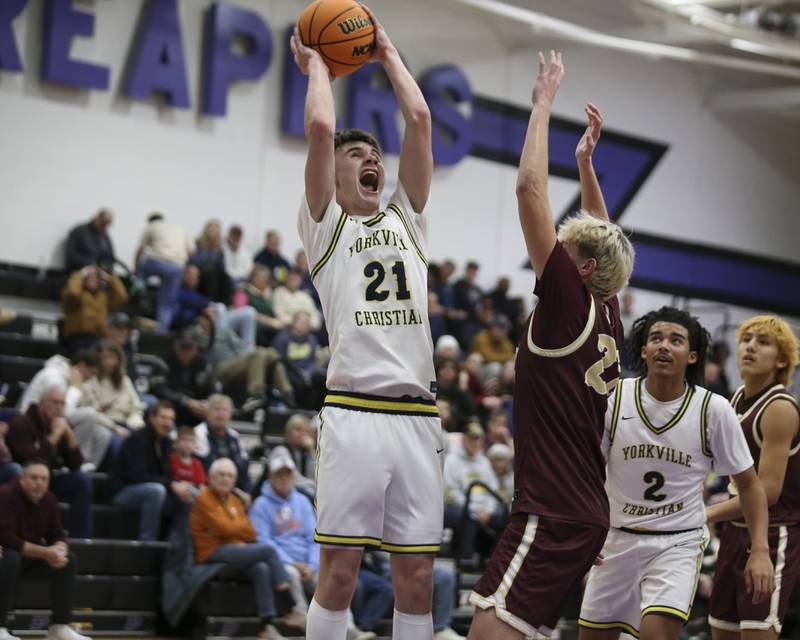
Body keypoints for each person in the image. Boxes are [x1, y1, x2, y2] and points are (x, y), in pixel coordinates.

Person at [467, 56, 635, 640]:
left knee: (486, 632)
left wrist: (542, 104)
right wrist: (586, 165)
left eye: (567, 251)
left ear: (580, 270)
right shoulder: (607, 310)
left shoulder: (568, 303)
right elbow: (603, 235)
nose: (555, 253)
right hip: (579, 511)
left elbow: (528, 189)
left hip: (553, 509)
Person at [290, 8, 443, 639]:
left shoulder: (408, 217)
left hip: (417, 416)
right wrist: (319, 64)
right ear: (336, 172)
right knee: (340, 575)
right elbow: (321, 127)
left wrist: (386, 54)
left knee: (418, 580)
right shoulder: (325, 225)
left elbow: (421, 120)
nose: (370, 159)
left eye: (374, 153)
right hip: (354, 410)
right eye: (357, 155)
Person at [578, 307, 773, 640]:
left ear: (692, 356)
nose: (664, 346)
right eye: (656, 338)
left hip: (677, 542)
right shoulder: (615, 397)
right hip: (617, 538)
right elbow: (587, 473)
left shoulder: (713, 409)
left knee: (656, 634)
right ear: (643, 350)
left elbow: (751, 486)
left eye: (676, 340)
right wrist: (586, 529)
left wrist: (760, 550)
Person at [707, 315, 800, 638]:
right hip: (734, 531)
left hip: (773, 535)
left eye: (763, 342)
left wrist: (704, 513)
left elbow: (767, 493)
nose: (750, 347)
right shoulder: (734, 400)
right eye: (746, 340)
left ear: (781, 360)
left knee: (757, 633)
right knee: (722, 631)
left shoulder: (780, 408)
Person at [190, 458, 305, 640]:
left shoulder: (234, 500)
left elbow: (250, 532)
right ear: (210, 478)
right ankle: (290, 606)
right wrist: (234, 526)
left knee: (261, 568)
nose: (225, 479)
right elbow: (225, 528)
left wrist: (232, 527)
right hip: (211, 551)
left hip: (234, 549)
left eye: (230, 476)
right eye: (221, 475)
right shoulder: (204, 498)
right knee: (267, 551)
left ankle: (266, 626)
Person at [0, 460, 90, 640]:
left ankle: (59, 626)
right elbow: (7, 539)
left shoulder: (49, 499)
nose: (39, 483)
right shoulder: (5, 494)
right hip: (7, 556)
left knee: (68, 560)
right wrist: (46, 552)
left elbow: (57, 534)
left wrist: (60, 548)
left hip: (30, 558)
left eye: (44, 479)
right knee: (10, 557)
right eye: (34, 478)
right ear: (22, 479)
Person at [7, 385, 93, 539]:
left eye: (62, 404)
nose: (59, 407)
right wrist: (55, 435)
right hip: (21, 481)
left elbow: (75, 464)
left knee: (81, 480)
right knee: (23, 474)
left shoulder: (58, 425)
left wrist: (69, 434)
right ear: (42, 403)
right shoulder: (22, 423)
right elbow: (33, 463)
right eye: (55, 402)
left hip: (48, 479)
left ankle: (80, 539)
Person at [108, 400, 191, 541]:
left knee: (188, 494)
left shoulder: (166, 443)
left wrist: (178, 486)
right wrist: (171, 484)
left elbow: (168, 475)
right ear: (152, 418)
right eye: (163, 418)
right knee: (156, 490)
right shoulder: (137, 439)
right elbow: (137, 476)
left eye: (171, 419)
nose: (167, 423)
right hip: (123, 491)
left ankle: (178, 544)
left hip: (152, 489)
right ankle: (147, 541)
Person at [250, 453, 319, 616]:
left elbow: (314, 538)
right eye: (278, 474)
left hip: (307, 562)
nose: (283, 479)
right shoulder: (260, 505)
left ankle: (348, 627)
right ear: (270, 477)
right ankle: (301, 617)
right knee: (291, 574)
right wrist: (292, 563)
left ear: (293, 477)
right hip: (281, 562)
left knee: (327, 578)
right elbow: (264, 541)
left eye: (287, 474)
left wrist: (312, 565)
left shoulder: (302, 501)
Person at [19, 351, 111, 470]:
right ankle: (77, 460)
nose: (91, 378)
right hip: (36, 422)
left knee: (102, 434)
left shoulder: (67, 377)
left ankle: (86, 468)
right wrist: (75, 388)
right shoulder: (55, 378)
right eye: (92, 373)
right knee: (89, 415)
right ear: (81, 366)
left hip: (53, 419)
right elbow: (63, 412)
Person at [443, 422, 507, 562]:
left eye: (478, 439)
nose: (475, 442)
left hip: (483, 510)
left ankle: (493, 561)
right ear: (464, 439)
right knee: (469, 517)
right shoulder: (451, 460)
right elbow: (450, 493)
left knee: (504, 515)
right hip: (458, 507)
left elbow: (493, 490)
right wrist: (474, 509)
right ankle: (466, 561)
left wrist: (489, 510)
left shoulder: (484, 461)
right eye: (471, 438)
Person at [135, 213, 195, 331]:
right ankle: (161, 332)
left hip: (156, 261)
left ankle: (139, 288)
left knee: (143, 264)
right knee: (166, 304)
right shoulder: (179, 228)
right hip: (176, 267)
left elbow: (139, 251)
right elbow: (191, 251)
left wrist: (137, 271)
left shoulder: (152, 226)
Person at [150, 331, 217, 426]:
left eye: (189, 348)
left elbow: (213, 388)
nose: (186, 352)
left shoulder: (203, 364)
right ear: (175, 346)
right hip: (171, 407)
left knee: (217, 407)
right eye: (182, 348)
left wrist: (208, 403)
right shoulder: (162, 361)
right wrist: (185, 401)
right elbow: (159, 389)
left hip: (198, 410)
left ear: (196, 348)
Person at [80, 339, 145, 433]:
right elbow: (92, 413)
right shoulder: (90, 381)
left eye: (111, 357)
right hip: (105, 425)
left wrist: (134, 424)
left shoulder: (124, 380)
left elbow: (136, 407)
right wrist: (114, 427)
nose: (108, 362)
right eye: (104, 358)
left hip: (127, 423)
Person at [61, 265, 128, 354]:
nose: (92, 279)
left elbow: (122, 297)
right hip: (77, 339)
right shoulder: (77, 294)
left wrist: (109, 278)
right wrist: (80, 274)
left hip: (98, 339)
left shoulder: (104, 297)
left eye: (95, 277)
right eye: (89, 277)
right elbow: (72, 293)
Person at [193, 394, 252, 494]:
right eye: (216, 409)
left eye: (225, 410)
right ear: (208, 412)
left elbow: (244, 471)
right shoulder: (198, 434)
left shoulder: (235, 437)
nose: (221, 414)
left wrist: (247, 493)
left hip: (233, 491)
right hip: (205, 490)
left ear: (230, 414)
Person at [272, 311, 327, 410]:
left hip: (307, 374)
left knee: (322, 378)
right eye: (303, 322)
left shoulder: (312, 339)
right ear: (294, 323)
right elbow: (279, 359)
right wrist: (299, 372)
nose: (306, 325)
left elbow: (312, 361)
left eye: (308, 323)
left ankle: (319, 409)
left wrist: (308, 372)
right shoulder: (282, 338)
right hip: (290, 372)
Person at [234, 265, 286, 345]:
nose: (261, 280)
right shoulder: (243, 291)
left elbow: (275, 310)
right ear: (252, 278)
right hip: (253, 327)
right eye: (258, 277)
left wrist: (279, 318)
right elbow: (241, 313)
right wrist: (270, 322)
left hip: (271, 326)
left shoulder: (268, 293)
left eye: (264, 278)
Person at [65, 209, 115, 274]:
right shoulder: (79, 232)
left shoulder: (104, 236)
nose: (104, 227)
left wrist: (105, 266)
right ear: (97, 218)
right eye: (103, 223)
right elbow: (71, 257)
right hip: (81, 272)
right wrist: (90, 264)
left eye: (107, 225)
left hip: (100, 273)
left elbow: (110, 257)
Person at [272, 268, 322, 332]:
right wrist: (296, 322)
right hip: (288, 329)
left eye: (296, 279)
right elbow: (279, 315)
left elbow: (316, 318)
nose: (293, 282)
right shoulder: (279, 292)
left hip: (308, 330)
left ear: (300, 281)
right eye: (291, 279)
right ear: (286, 278)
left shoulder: (305, 295)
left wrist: (306, 323)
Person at [170, 426, 207, 497]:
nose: (187, 443)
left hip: (193, 495)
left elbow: (202, 486)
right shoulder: (171, 459)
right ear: (176, 443)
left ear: (195, 445)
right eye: (184, 439)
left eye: (191, 440)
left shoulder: (197, 464)